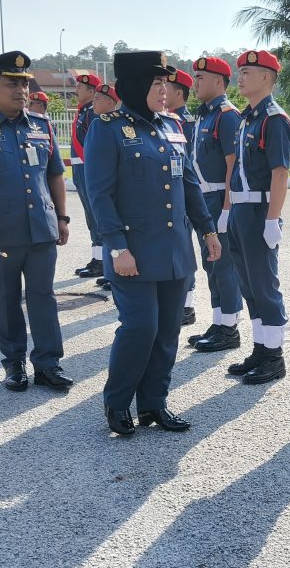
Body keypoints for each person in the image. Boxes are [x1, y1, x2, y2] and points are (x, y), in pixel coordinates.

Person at [85, 50, 221, 436]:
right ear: (135, 85)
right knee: (139, 327)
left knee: (167, 331)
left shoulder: (172, 126)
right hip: (133, 252)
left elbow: (190, 184)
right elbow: (100, 195)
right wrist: (116, 247)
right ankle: (117, 403)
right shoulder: (107, 127)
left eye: (167, 83)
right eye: (157, 83)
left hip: (175, 249)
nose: (166, 90)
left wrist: (208, 230)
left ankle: (154, 404)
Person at [0, 50, 73, 392]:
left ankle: (48, 364)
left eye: (24, 84)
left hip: (41, 229)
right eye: (12, 84)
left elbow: (55, 176)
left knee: (43, 297)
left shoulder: (42, 125)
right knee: (5, 299)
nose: (21, 90)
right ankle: (14, 363)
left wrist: (61, 217)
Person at [225, 50, 290, 385]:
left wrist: (272, 219)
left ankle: (274, 356)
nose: (241, 77)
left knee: (265, 285)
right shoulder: (247, 118)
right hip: (240, 209)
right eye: (240, 71)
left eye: (248, 71)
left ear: (267, 77)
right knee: (248, 284)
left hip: (259, 209)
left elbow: (280, 173)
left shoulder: (274, 119)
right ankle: (261, 349)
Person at [185, 57, 244, 353]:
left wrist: (227, 210)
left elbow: (232, 166)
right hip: (205, 198)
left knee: (224, 265)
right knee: (211, 264)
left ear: (219, 81)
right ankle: (219, 320)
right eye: (194, 77)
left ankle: (230, 327)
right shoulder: (204, 115)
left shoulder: (226, 115)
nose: (195, 82)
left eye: (200, 77)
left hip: (221, 198)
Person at [165, 68, 198, 326]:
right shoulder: (167, 121)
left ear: (179, 92)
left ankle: (187, 305)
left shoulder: (185, 123)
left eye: (168, 87)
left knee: (185, 248)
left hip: (187, 190)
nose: (163, 92)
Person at [71, 73, 104, 280]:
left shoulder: (92, 113)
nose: (76, 91)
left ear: (92, 92)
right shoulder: (83, 112)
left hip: (87, 167)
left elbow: (94, 145)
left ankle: (101, 262)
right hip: (79, 167)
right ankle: (97, 259)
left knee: (96, 216)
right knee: (90, 217)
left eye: (80, 88)